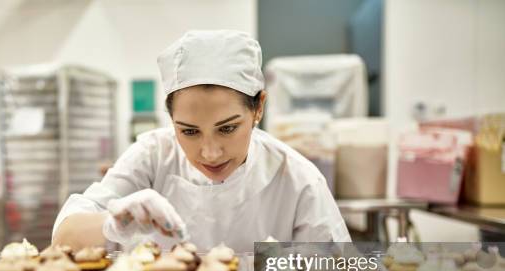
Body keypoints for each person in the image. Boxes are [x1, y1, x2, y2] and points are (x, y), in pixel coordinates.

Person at [52, 30, 350, 253]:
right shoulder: (153, 157)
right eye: (189, 132)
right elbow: (64, 238)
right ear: (171, 119)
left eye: (228, 129)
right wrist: (110, 224)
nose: (210, 153)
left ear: (258, 107)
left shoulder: (299, 180)